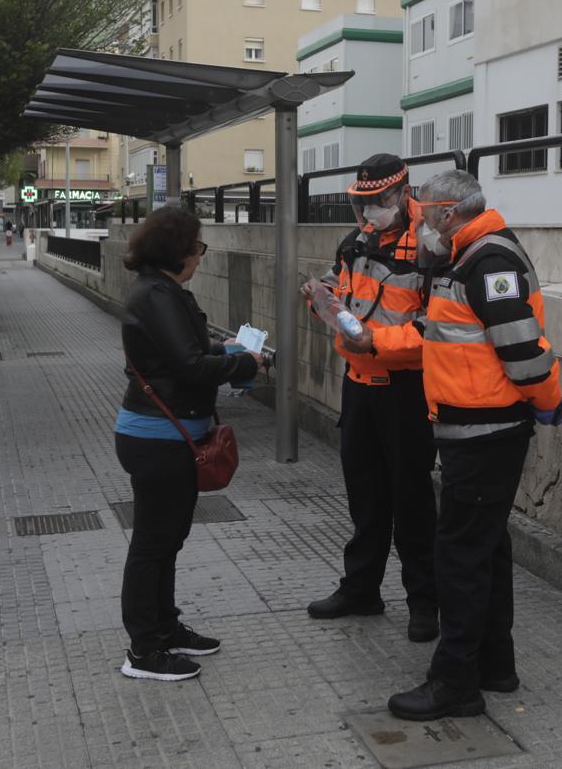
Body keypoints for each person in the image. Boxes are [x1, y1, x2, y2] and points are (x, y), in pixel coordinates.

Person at [350, 170, 562, 721]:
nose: (418, 223)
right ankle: (496, 666)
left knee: (460, 558)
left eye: (424, 213)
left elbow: (523, 349)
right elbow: (437, 332)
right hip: (471, 430)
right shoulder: (461, 258)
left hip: (486, 432)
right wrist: (374, 338)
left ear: (449, 213)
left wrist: (547, 399)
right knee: (487, 550)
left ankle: (454, 683)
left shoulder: (489, 261)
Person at [115, 206, 269, 682]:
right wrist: (245, 367)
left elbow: (186, 353)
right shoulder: (157, 294)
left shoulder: (161, 291)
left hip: (171, 434)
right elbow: (187, 366)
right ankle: (144, 651)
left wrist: (227, 351)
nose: (200, 257)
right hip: (159, 438)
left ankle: (165, 627)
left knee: (167, 540)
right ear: (178, 249)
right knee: (153, 543)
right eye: (197, 248)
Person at [301, 153, 439, 643]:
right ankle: (361, 589)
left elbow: (438, 329)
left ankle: (425, 603)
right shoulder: (355, 240)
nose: (368, 214)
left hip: (406, 392)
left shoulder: (431, 247)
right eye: (361, 204)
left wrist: (377, 343)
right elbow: (346, 295)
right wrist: (322, 300)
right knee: (365, 498)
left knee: (413, 503)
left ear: (404, 194)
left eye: (377, 202)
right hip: (358, 387)